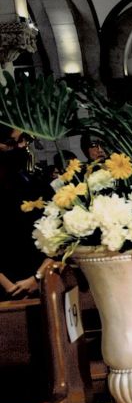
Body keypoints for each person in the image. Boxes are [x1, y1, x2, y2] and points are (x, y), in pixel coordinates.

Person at [0, 126, 52, 300]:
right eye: (10, 142)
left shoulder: (36, 183)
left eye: (23, 139)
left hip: (43, 282)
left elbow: (59, 232)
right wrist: (10, 288)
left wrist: (38, 278)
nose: (21, 146)